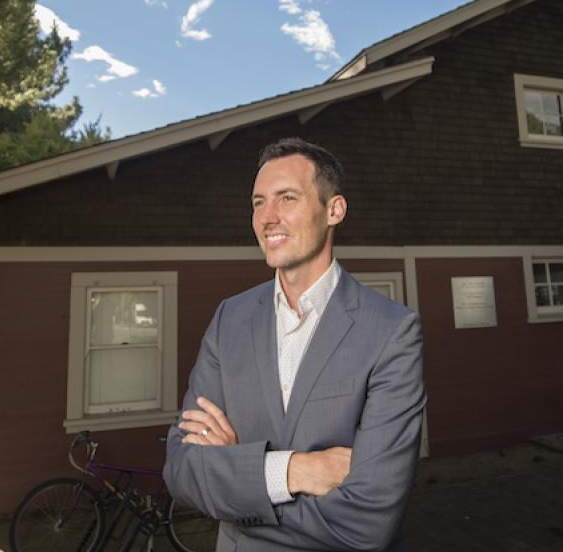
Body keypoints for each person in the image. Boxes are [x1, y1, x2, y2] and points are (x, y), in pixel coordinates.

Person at [163, 137, 426, 551]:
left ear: (334, 210)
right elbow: (181, 470)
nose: (267, 218)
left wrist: (237, 481)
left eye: (287, 198)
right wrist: (294, 471)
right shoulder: (230, 319)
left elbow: (368, 523)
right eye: (258, 202)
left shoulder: (391, 330)